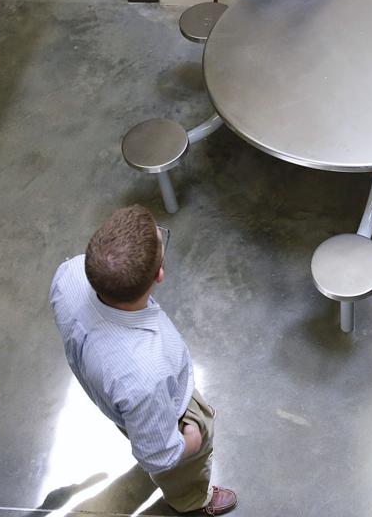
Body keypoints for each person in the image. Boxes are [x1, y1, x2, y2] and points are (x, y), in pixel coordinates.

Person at [50, 206, 237, 516]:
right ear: (159, 274)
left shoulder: (68, 274)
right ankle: (192, 499)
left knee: (140, 425)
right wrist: (191, 440)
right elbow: (158, 456)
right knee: (180, 462)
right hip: (163, 412)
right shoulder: (149, 372)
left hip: (110, 390)